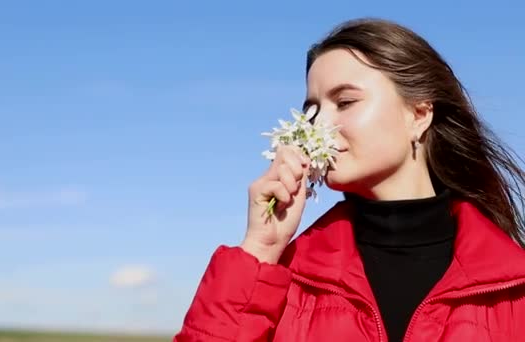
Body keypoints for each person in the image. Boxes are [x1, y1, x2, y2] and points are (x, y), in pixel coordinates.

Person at [173, 18, 525, 341]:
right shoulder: (285, 277)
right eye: (312, 110)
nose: (318, 125)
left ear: (419, 115)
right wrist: (260, 250)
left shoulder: (513, 286)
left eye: (344, 102)